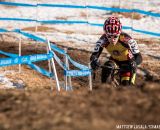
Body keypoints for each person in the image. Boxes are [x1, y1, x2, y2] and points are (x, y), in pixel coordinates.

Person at [90, 16, 142, 86]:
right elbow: (94, 55)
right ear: (105, 34)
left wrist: (134, 63)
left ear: (119, 33)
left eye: (115, 36)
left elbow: (139, 56)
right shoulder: (103, 40)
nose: (112, 39)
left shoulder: (127, 40)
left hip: (128, 64)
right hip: (115, 61)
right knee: (107, 68)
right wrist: (94, 61)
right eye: (109, 36)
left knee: (126, 86)